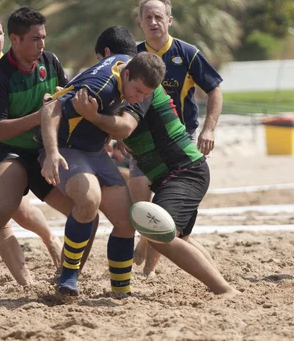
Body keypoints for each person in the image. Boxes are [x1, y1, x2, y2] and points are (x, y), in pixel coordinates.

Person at [71, 26, 239, 297]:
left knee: (161, 235)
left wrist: (95, 119)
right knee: (178, 238)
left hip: (185, 172)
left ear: (108, 56)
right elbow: (121, 129)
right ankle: (223, 285)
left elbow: (124, 127)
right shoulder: (124, 89)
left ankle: (224, 289)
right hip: (175, 174)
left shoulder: (142, 87)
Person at [0, 7, 93, 297]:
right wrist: (40, 115)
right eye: (35, 39)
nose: (42, 44)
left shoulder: (50, 62)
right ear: (17, 39)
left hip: (44, 151)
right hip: (4, 152)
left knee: (87, 210)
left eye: (44, 37)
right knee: (0, 209)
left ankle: (67, 277)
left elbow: (64, 102)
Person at [40, 29, 166, 296]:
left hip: (95, 152)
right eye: (138, 91)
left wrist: (109, 128)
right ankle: (68, 277)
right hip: (67, 149)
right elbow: (51, 108)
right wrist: (51, 153)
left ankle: (121, 289)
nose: (139, 98)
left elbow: (121, 119)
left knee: (126, 220)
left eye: (146, 95)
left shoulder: (127, 65)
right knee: (89, 200)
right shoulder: (101, 86)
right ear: (127, 75)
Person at [132, 0, 224, 277]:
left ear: (169, 20)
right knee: (141, 205)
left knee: (165, 212)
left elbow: (215, 89)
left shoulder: (187, 53)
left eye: (159, 16)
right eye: (148, 17)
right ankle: (145, 245)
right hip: (143, 142)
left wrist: (209, 128)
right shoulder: (133, 55)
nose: (153, 21)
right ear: (140, 22)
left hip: (179, 140)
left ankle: (148, 270)